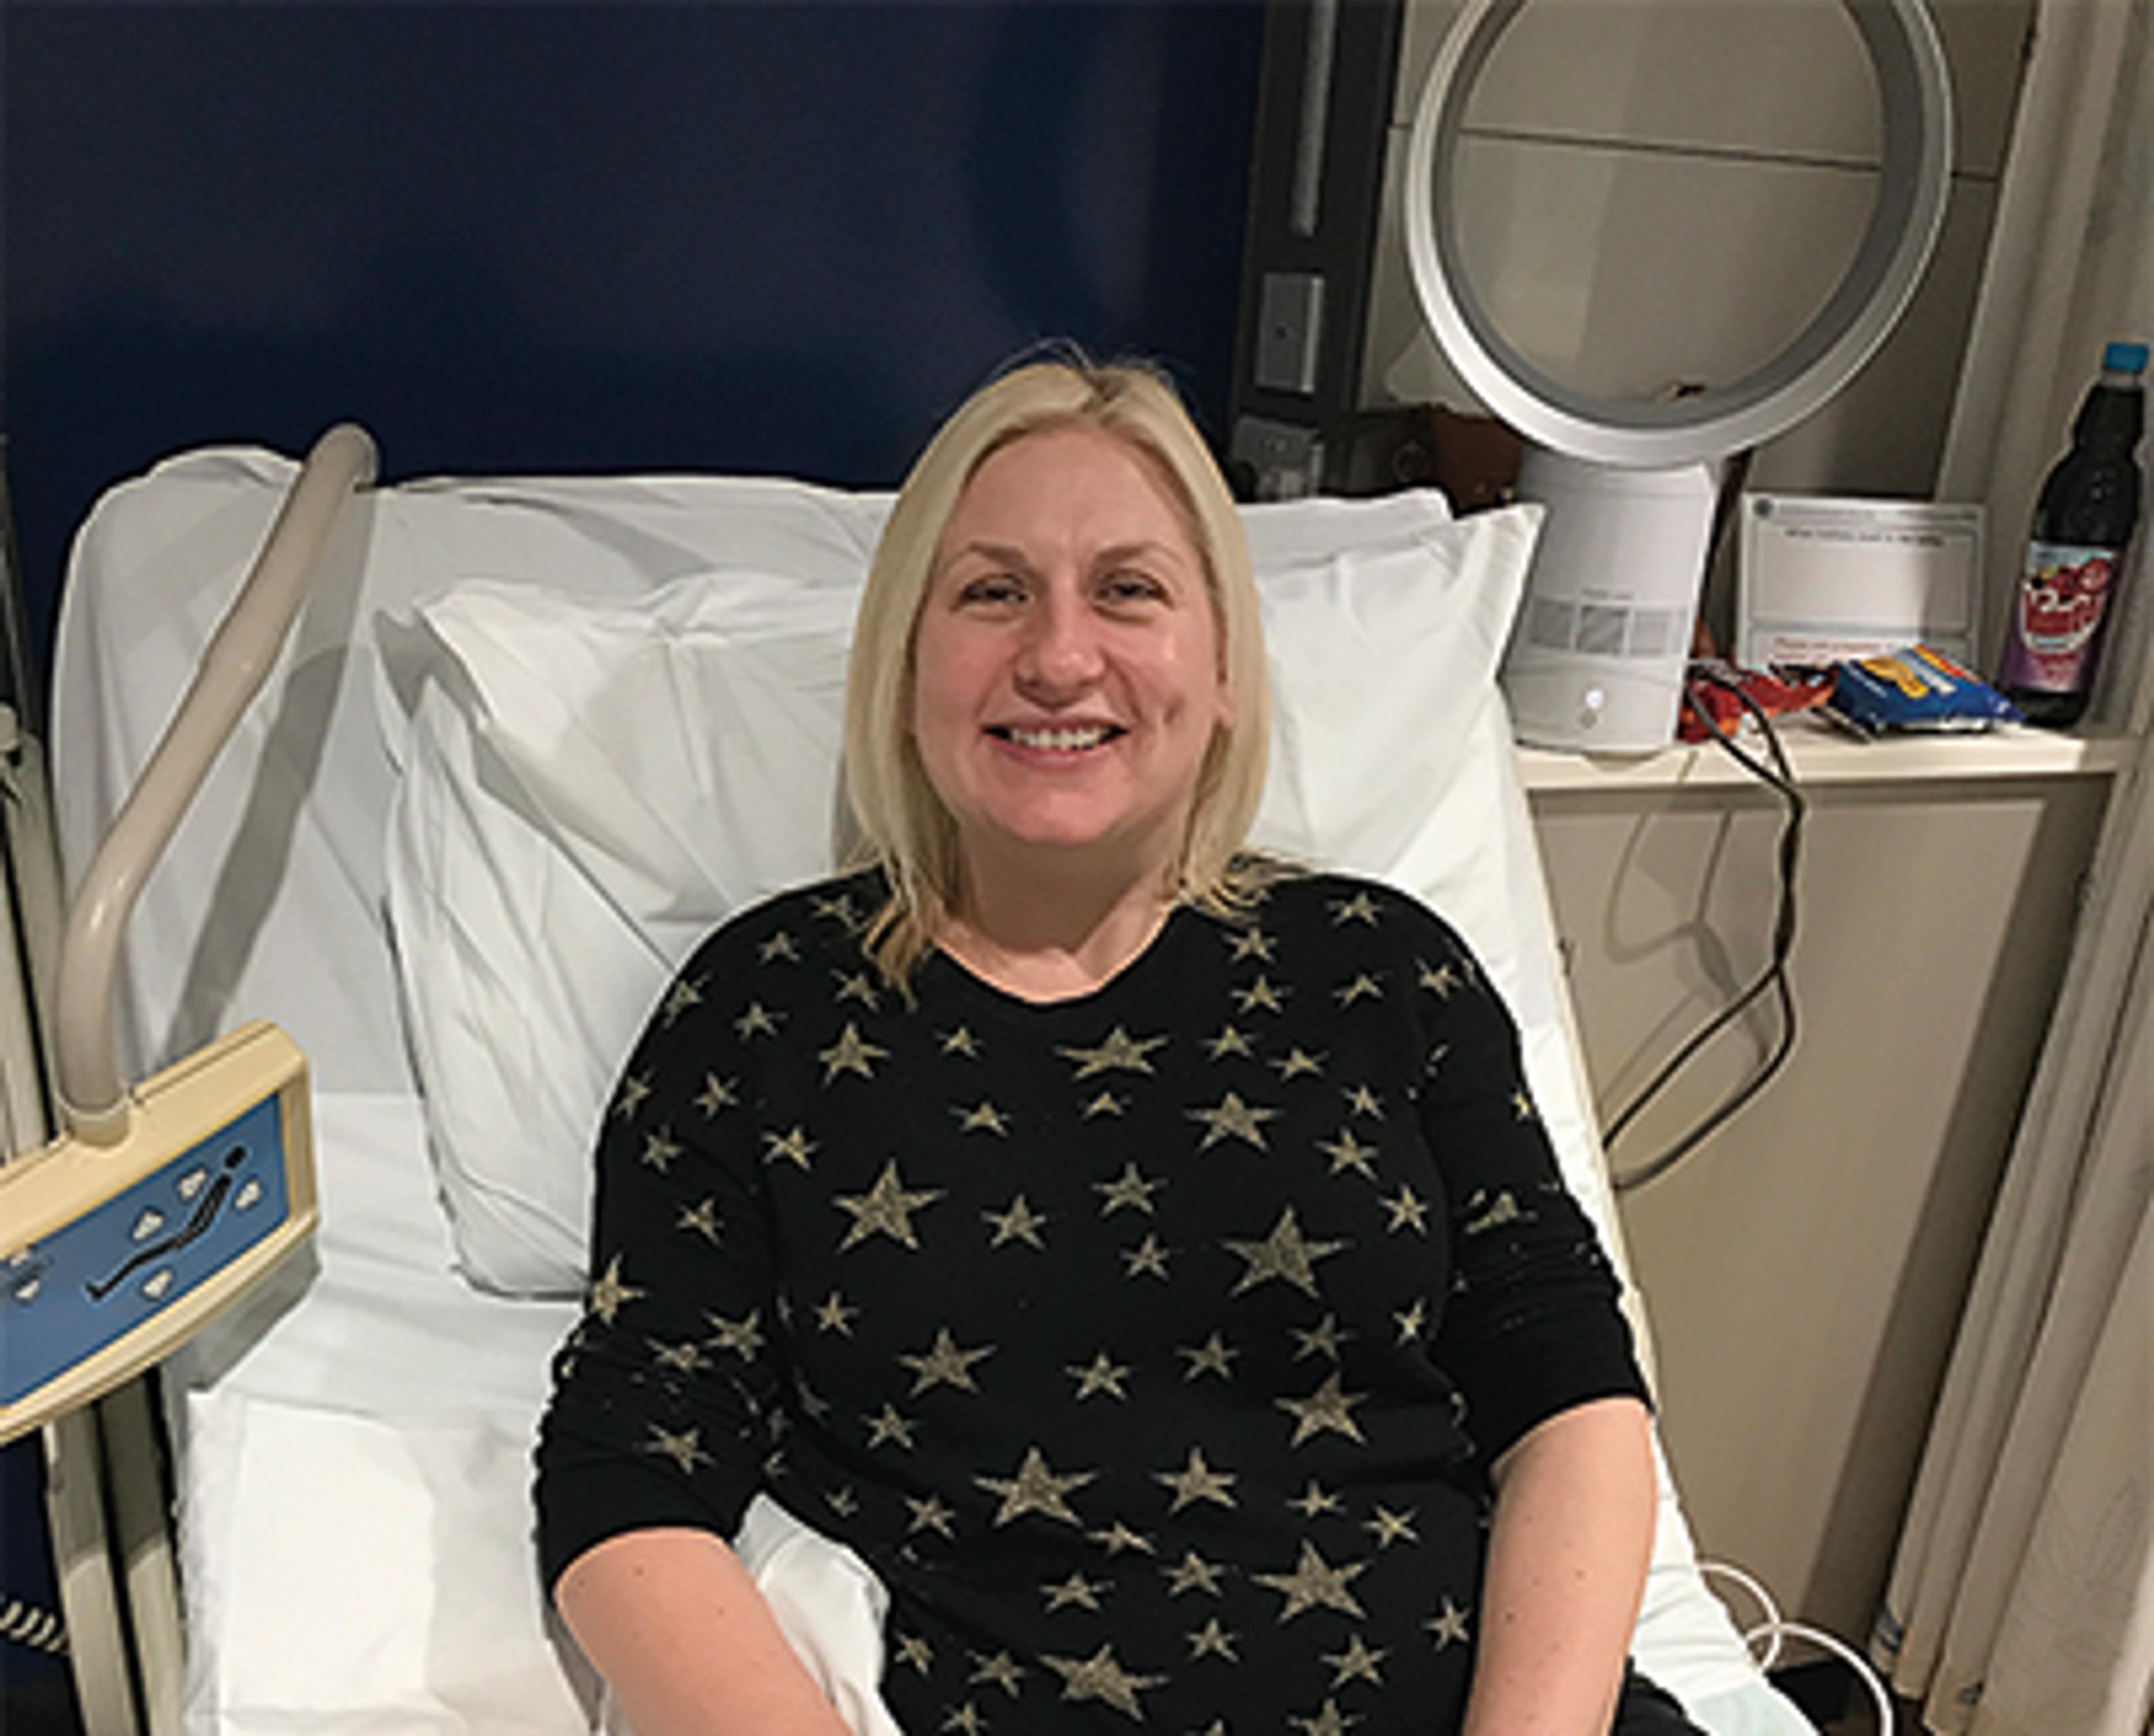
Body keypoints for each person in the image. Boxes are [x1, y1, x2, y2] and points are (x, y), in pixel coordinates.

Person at [535, 358, 1672, 1736]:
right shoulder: (765, 1014)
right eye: (992, 592)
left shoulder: (1384, 973)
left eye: (1129, 590)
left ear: (1226, 670)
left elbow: (1571, 1386)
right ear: (905, 675)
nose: (1061, 656)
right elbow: (626, 1478)